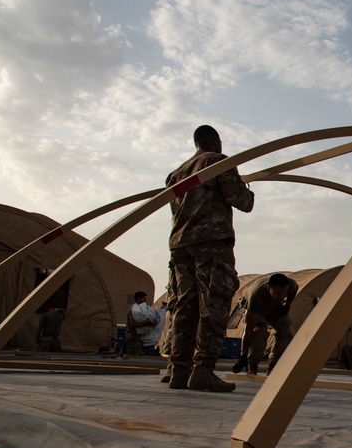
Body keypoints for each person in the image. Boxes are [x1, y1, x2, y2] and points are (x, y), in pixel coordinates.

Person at [166, 125, 254, 392]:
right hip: (211, 243)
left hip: (181, 244)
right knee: (213, 306)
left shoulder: (177, 173)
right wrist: (247, 189)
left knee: (184, 308)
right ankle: (203, 370)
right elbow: (242, 201)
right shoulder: (217, 163)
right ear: (215, 141)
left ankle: (178, 371)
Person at [233, 274, 299, 375]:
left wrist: (287, 305)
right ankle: (252, 366)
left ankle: (275, 365)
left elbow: (295, 288)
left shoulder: (290, 284)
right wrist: (243, 356)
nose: (281, 296)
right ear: (268, 288)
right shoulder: (256, 297)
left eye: (284, 293)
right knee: (260, 331)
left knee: (285, 328)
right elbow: (248, 329)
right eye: (277, 293)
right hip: (256, 306)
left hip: (273, 306)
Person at [126, 291, 160, 356]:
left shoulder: (140, 310)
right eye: (144, 299)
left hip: (137, 336)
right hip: (132, 336)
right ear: (138, 299)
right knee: (135, 355)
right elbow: (132, 324)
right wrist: (147, 324)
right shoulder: (133, 310)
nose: (145, 301)